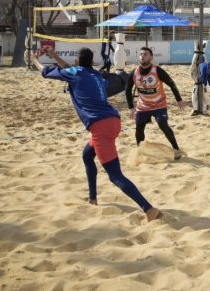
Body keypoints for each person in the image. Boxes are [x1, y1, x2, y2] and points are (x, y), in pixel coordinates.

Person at [31, 47, 161, 222]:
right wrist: (54, 55)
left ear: (77, 61)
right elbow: (71, 70)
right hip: (113, 121)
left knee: (115, 176)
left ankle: (149, 209)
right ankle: (92, 198)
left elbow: (45, 71)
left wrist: (33, 58)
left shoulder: (76, 73)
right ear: (91, 62)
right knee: (87, 156)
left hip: (101, 126)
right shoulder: (95, 75)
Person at [126, 47, 185, 160]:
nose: (142, 56)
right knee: (139, 129)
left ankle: (176, 150)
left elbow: (171, 83)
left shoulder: (157, 70)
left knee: (163, 124)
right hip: (143, 106)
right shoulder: (134, 72)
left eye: (145, 54)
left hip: (159, 105)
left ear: (151, 57)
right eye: (141, 54)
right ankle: (140, 151)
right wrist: (130, 107)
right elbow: (127, 90)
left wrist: (179, 99)